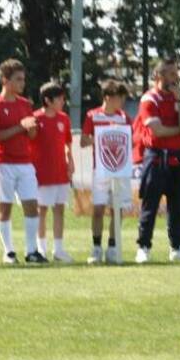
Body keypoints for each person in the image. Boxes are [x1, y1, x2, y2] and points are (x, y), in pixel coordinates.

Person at [135, 59, 180, 263]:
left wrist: (179, 101)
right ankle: (143, 247)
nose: (175, 77)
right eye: (170, 73)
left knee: (177, 205)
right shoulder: (149, 99)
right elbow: (157, 131)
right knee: (150, 205)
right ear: (159, 76)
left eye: (176, 73)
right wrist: (178, 129)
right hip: (157, 157)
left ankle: (177, 247)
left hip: (177, 157)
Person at [0, 59, 45, 264]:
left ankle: (31, 251)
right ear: (5, 80)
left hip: (25, 162)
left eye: (23, 79)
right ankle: (9, 251)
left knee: (32, 205)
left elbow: (31, 134)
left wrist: (31, 129)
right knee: (4, 207)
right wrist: (21, 127)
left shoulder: (25, 104)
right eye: (18, 79)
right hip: (3, 162)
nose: (22, 83)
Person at [79, 79, 132, 264]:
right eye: (119, 98)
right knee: (99, 209)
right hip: (100, 170)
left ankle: (112, 247)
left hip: (119, 170)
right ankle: (96, 248)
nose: (122, 102)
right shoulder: (93, 116)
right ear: (108, 98)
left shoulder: (124, 117)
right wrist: (101, 138)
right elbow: (83, 141)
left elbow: (130, 140)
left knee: (117, 209)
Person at [31, 81, 75, 263]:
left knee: (59, 209)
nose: (62, 101)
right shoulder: (35, 118)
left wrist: (70, 160)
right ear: (48, 101)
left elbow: (67, 143)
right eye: (59, 98)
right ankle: (41, 248)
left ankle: (58, 249)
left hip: (60, 172)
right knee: (42, 211)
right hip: (42, 173)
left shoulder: (64, 118)